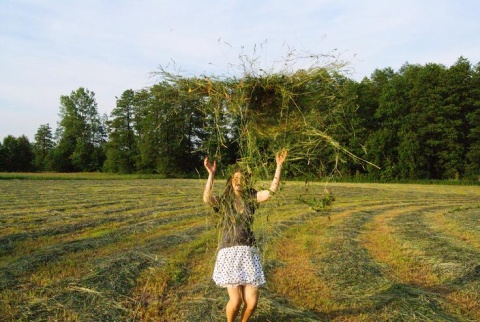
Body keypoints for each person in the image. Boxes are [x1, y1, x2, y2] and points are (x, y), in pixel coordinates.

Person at [203, 150, 288, 322]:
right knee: (236, 301)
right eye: (235, 179)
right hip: (228, 254)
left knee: (252, 301)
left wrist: (278, 166)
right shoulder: (224, 200)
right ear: (231, 182)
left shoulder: (251, 197)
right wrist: (211, 175)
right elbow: (206, 198)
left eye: (242, 179)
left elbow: (271, 192)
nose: (239, 182)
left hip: (248, 252)